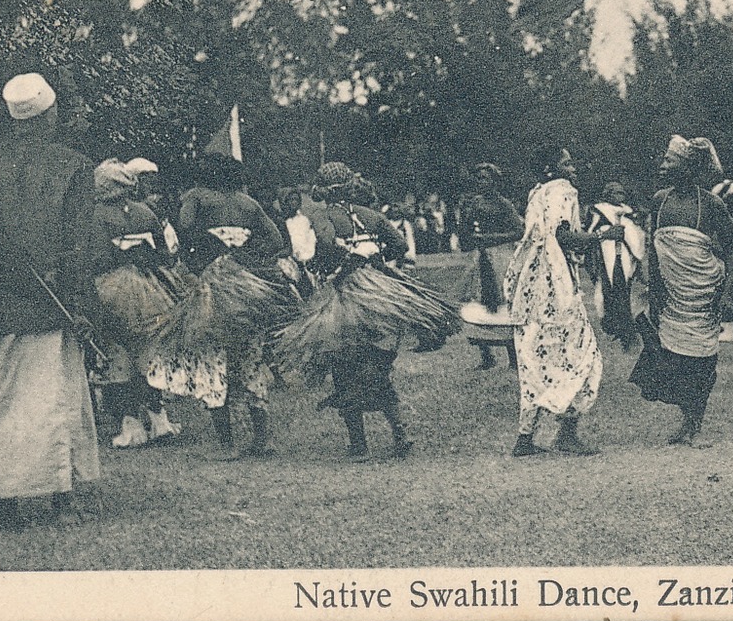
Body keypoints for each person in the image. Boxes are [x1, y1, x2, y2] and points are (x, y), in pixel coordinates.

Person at [0, 74, 99, 527]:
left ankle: (3, 500)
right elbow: (76, 245)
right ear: (50, 114)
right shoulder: (75, 166)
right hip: (49, 302)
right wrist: (79, 304)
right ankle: (59, 501)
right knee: (51, 400)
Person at [279, 162, 459, 461]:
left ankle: (359, 444)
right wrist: (375, 260)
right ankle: (401, 434)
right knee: (377, 367)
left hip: (344, 297)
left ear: (321, 190)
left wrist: (336, 264)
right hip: (380, 295)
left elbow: (321, 246)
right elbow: (400, 245)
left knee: (343, 367)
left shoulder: (323, 217)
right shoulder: (371, 215)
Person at [147, 152, 300, 460]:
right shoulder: (248, 204)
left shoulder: (197, 197)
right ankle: (262, 440)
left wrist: (209, 248)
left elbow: (184, 229)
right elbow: (274, 239)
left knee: (213, 364)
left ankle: (227, 444)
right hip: (246, 290)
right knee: (251, 361)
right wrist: (243, 253)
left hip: (212, 289)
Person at [629, 137, 733, 446]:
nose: (663, 166)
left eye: (670, 161)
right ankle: (686, 415)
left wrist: (727, 290)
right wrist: (653, 287)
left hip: (704, 293)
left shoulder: (711, 204)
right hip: (671, 295)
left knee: (702, 358)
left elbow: (732, 243)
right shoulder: (659, 200)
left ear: (689, 168)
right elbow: (655, 246)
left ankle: (693, 422)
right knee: (671, 355)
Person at [506, 145, 612, 458]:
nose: (573, 167)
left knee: (534, 356)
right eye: (567, 163)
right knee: (581, 355)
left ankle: (525, 439)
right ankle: (566, 434)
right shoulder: (562, 191)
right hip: (556, 287)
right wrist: (603, 236)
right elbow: (561, 235)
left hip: (532, 287)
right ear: (553, 168)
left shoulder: (536, 193)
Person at [89, 160, 181, 449]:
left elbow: (98, 259)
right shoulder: (145, 213)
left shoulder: (95, 216)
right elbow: (164, 254)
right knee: (149, 354)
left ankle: (131, 425)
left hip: (113, 289)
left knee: (118, 355)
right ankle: (158, 419)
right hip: (152, 287)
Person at [455, 163, 525, 370]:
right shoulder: (472, 204)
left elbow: (519, 231)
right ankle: (486, 355)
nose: (480, 182)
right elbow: (465, 235)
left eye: (485, 178)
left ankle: (513, 357)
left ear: (495, 181)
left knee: (504, 300)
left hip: (501, 255)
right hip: (481, 256)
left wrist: (490, 237)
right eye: (478, 178)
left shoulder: (504, 204)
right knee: (479, 301)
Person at [585, 180, 644, 351]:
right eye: (616, 192)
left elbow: (635, 234)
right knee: (609, 289)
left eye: (622, 192)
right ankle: (614, 325)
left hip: (624, 256)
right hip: (607, 256)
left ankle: (626, 328)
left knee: (624, 290)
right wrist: (606, 232)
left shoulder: (627, 212)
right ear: (608, 194)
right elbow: (591, 232)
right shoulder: (599, 210)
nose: (620, 196)